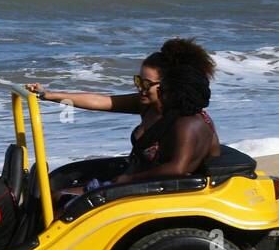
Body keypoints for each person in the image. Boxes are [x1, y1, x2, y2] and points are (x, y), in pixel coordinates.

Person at [28, 37, 221, 193]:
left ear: (168, 86)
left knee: (59, 198)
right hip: (134, 178)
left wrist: (127, 179)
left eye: (146, 84)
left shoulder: (186, 121)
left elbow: (181, 168)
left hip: (150, 188)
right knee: (56, 183)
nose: (140, 89)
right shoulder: (145, 104)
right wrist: (49, 95)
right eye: (138, 81)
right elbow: (101, 101)